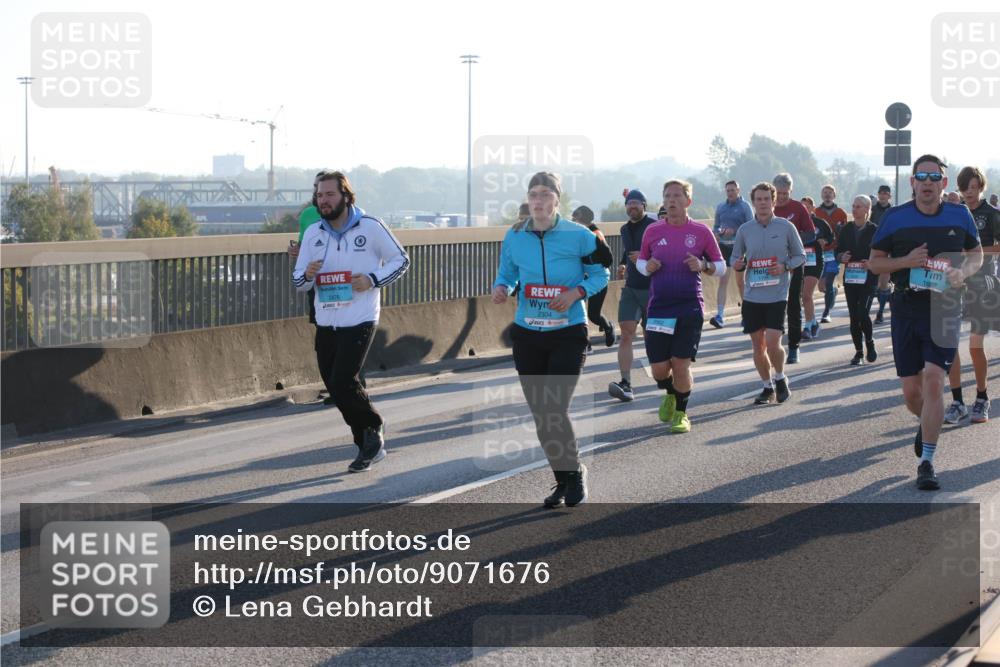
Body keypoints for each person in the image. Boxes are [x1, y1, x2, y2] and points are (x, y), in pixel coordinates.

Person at [492, 172, 610, 508]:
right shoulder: (515, 235)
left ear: (557, 200)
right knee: (541, 414)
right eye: (533, 194)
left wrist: (575, 293)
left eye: (545, 194)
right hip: (528, 333)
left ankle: (575, 472)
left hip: (568, 332)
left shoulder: (579, 235)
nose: (538, 200)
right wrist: (502, 288)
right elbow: (508, 273)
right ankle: (563, 479)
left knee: (554, 408)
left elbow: (601, 273)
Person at [868, 154, 982, 491]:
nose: (928, 182)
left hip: (945, 306)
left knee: (934, 380)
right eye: (922, 177)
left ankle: (927, 462)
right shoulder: (895, 217)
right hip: (906, 306)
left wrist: (964, 272)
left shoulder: (959, 215)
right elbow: (875, 263)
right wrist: (906, 261)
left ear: (943, 183)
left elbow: (976, 254)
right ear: (912, 183)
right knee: (911, 392)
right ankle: (926, 423)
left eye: (934, 177)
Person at [292, 170, 410, 472]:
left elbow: (401, 260)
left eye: (330, 194)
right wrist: (307, 275)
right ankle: (367, 443)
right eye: (320, 195)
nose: (324, 200)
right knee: (334, 385)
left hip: (360, 318)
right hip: (326, 320)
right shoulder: (314, 233)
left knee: (344, 380)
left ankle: (373, 426)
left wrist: (372, 279)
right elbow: (299, 281)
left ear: (345, 195)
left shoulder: (370, 227)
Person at [637, 179, 725, 432]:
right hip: (660, 307)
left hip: (689, 305)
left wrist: (703, 265)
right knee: (659, 370)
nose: (671, 200)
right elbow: (641, 262)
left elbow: (721, 267)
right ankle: (670, 392)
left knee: (680, 363)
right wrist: (647, 267)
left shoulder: (701, 232)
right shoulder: (653, 231)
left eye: (677, 195)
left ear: (688, 201)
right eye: (667, 196)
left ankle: (681, 414)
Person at [731, 182, 806, 405]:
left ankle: (780, 377)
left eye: (766, 199)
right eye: (758, 199)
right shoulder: (745, 230)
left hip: (777, 294)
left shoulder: (786, 227)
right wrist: (738, 264)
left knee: (773, 342)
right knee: (758, 346)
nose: (762, 203)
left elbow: (800, 256)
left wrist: (785, 266)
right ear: (753, 202)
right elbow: (734, 257)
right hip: (752, 295)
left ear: (773, 202)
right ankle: (767, 386)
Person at [944, 166, 1000, 424]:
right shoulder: (953, 214)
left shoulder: (992, 214)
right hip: (954, 284)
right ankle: (957, 401)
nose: (969, 192)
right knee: (949, 346)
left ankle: (982, 397)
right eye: (965, 187)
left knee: (975, 346)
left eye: (974, 187)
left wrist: (976, 253)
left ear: (981, 188)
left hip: (983, 284)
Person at [289, 172, 336, 405]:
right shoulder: (308, 214)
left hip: (342, 282)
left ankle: (350, 385)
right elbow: (303, 246)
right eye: (318, 189)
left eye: (327, 191)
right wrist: (296, 252)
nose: (321, 194)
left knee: (347, 334)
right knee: (324, 337)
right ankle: (335, 386)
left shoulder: (352, 216)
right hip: (317, 284)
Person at [610, 188, 657, 401]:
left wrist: (645, 257)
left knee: (652, 336)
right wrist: (623, 263)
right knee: (626, 334)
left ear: (643, 206)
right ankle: (626, 383)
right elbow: (628, 251)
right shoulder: (624, 229)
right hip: (631, 288)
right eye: (629, 204)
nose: (632, 207)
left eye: (636, 203)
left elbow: (665, 252)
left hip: (653, 289)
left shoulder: (654, 226)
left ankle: (665, 377)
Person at [772, 173, 816, 364]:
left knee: (793, 305)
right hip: (771, 265)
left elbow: (811, 233)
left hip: (794, 264)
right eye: (779, 193)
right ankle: (774, 345)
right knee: (774, 306)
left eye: (785, 193)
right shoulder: (767, 207)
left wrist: (792, 240)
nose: (781, 197)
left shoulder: (798, 208)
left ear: (791, 191)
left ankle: (793, 347)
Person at [837, 196, 879, 365]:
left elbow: (883, 252)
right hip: (851, 278)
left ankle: (869, 342)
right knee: (854, 317)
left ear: (867, 209)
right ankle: (859, 352)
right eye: (853, 206)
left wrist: (872, 263)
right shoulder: (846, 229)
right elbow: (838, 251)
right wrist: (841, 256)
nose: (854, 210)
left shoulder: (874, 230)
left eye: (859, 207)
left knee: (863, 313)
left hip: (868, 279)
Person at [572, 205, 615, 351]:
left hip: (597, 278)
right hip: (580, 279)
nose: (573, 221)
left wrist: (595, 264)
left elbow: (608, 258)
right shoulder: (576, 234)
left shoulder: (595, 234)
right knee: (578, 312)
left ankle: (608, 327)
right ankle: (586, 342)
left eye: (575, 218)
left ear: (584, 219)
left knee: (593, 315)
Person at [710, 180, 753, 328]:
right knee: (723, 281)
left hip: (739, 248)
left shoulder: (745, 206)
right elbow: (716, 226)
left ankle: (747, 314)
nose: (730, 193)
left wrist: (735, 231)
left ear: (738, 190)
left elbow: (751, 226)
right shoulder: (721, 207)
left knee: (740, 282)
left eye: (733, 190)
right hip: (723, 247)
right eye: (728, 190)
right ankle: (720, 315)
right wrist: (718, 232)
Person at [813, 184, 848, 326]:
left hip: (834, 252)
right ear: (821, 195)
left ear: (834, 195)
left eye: (830, 193)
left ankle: (826, 312)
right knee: (822, 286)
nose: (827, 195)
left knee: (828, 281)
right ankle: (833, 290)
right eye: (825, 192)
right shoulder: (816, 212)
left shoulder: (841, 213)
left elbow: (845, 234)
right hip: (819, 252)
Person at [800, 196, 833, 339]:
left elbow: (831, 237)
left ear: (813, 208)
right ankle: (814, 322)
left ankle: (807, 327)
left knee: (807, 295)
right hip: (800, 262)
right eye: (802, 207)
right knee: (803, 296)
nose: (804, 209)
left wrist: (824, 241)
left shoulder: (820, 223)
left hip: (815, 261)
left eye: (807, 207)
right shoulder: (796, 223)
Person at [871, 186, 895, 324]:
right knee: (874, 285)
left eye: (885, 193)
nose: (882, 196)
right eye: (880, 193)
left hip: (888, 249)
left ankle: (880, 312)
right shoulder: (872, 210)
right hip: (873, 249)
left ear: (889, 196)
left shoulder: (894, 211)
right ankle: (888, 296)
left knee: (882, 284)